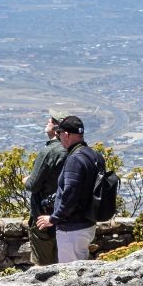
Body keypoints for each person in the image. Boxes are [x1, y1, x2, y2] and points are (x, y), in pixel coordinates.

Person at [36, 115, 101, 262]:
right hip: (88, 223)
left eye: (59, 134)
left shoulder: (74, 159)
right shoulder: (94, 155)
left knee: (70, 276)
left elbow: (70, 194)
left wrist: (54, 218)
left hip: (72, 229)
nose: (58, 137)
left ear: (66, 135)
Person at [24, 111, 67, 266]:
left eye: (52, 120)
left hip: (44, 216)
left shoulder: (48, 152)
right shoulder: (71, 150)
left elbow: (32, 185)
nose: (48, 121)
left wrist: (26, 180)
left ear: (57, 129)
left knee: (43, 266)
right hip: (66, 215)